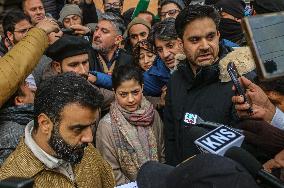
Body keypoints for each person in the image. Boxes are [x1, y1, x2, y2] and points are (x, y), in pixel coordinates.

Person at [163, 4, 256, 165]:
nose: (205, 46)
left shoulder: (240, 81)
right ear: (181, 44)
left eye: (210, 36)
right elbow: (171, 137)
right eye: (195, 39)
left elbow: (251, 146)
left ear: (219, 35)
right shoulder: (175, 80)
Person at [0, 73, 115, 187]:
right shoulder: (12, 178)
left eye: (90, 125)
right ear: (45, 123)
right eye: (78, 128)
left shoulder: (83, 148)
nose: (89, 137)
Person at [96, 64, 165, 185]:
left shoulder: (153, 115)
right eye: (123, 94)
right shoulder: (106, 126)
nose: (130, 99)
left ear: (142, 88)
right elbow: (111, 171)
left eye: (135, 92)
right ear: (114, 92)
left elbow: (162, 152)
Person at [0, 18, 59, 108]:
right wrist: (39, 33)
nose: (27, 34)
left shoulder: (44, 60)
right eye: (23, 31)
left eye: (30, 30)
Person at [0, 78, 35, 165]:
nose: (33, 89)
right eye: (26, 85)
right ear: (19, 100)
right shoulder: (14, 135)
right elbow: (8, 176)